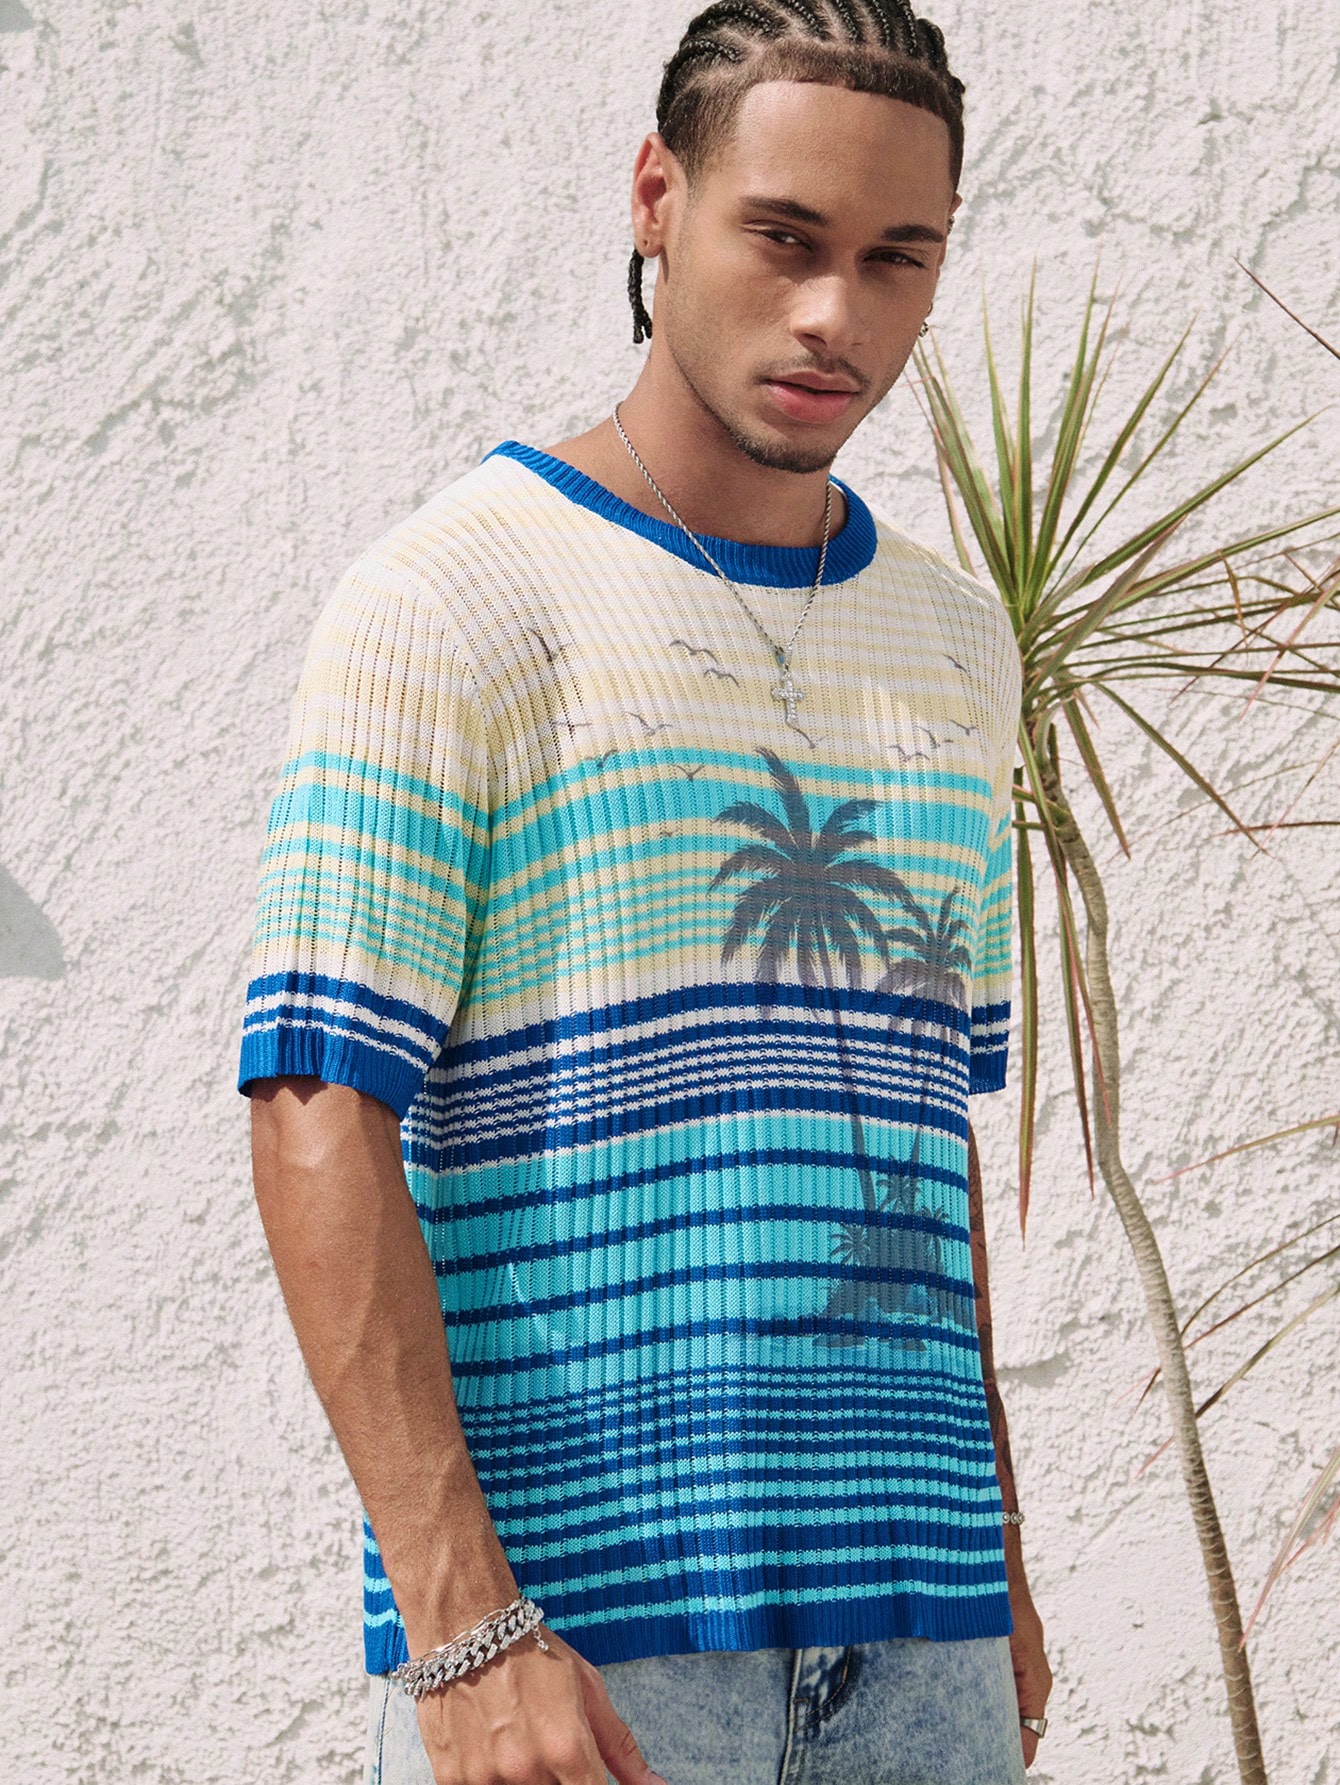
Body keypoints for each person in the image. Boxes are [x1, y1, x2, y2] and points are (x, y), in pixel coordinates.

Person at [239, 3, 1054, 1781]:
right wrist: (463, 1630)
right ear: (655, 201)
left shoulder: (958, 643)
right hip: (583, 1643)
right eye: (786, 237)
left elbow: (921, 1139)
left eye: (897, 258)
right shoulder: (454, 599)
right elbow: (313, 1100)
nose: (836, 313)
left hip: (924, 1640)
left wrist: (994, 1548)